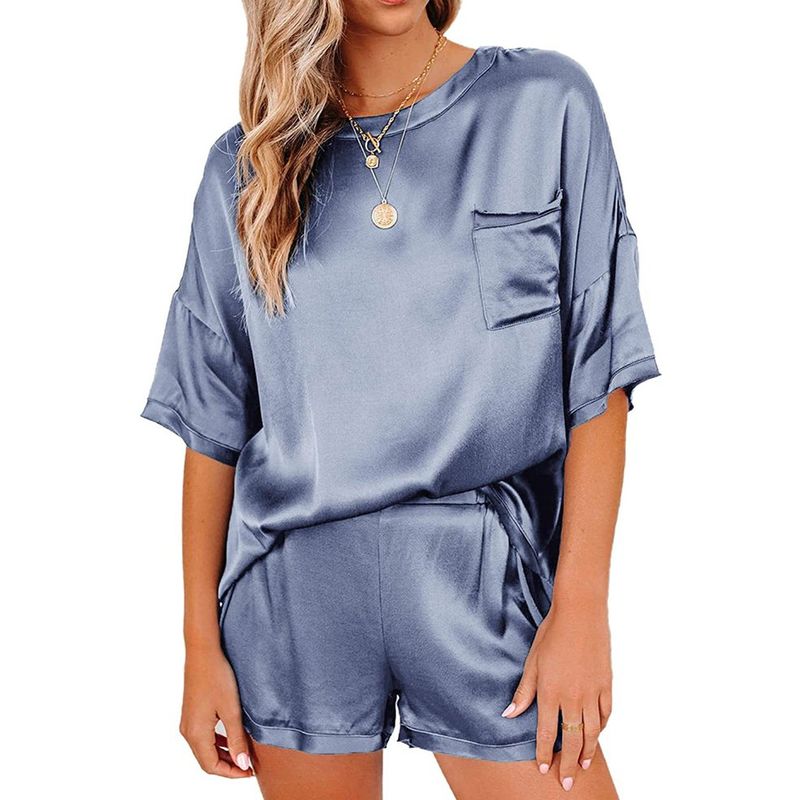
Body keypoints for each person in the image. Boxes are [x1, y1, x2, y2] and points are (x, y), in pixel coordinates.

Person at [140, 1, 661, 797]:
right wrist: (199, 647)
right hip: (296, 596)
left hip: (486, 585)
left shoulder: (544, 104)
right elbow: (212, 425)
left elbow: (600, 374)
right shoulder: (246, 169)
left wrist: (583, 607)